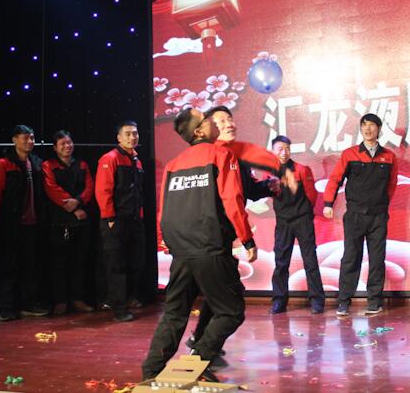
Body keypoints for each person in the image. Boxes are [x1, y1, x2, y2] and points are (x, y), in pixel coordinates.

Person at [142, 108, 256, 382]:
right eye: (207, 118)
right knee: (230, 312)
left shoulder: (173, 164)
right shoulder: (221, 155)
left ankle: (151, 371)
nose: (214, 121)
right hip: (210, 247)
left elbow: (164, 209)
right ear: (199, 131)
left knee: (175, 313)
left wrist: (166, 241)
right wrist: (247, 239)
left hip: (182, 250)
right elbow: (233, 200)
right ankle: (198, 361)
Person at [184, 105, 284, 354]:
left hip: (222, 235)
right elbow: (228, 199)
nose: (229, 124)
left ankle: (199, 340)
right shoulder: (207, 156)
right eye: (221, 121)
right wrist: (247, 239)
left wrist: (268, 186)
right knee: (228, 296)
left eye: (230, 119)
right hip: (207, 235)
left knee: (220, 292)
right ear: (208, 128)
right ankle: (201, 349)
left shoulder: (236, 155)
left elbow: (245, 190)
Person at [323, 113, 398, 317]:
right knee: (351, 257)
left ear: (379, 129)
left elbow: (391, 184)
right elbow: (335, 179)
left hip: (378, 216)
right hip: (355, 215)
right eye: (364, 125)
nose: (368, 129)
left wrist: (382, 203)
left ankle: (374, 302)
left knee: (377, 259)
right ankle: (344, 301)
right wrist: (328, 203)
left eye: (372, 125)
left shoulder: (389, 156)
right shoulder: (350, 154)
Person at [0, 124, 49, 321]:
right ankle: (5, 307)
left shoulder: (37, 162)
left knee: (30, 265)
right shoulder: (3, 163)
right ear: (14, 140)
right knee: (8, 266)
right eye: (25, 138)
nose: (29, 141)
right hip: (10, 223)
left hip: (33, 223)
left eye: (32, 138)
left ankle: (28, 304)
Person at [268, 135, 325, 315]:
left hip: (302, 221)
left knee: (310, 260)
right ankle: (279, 301)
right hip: (283, 222)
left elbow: (312, 195)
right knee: (281, 262)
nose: (284, 152)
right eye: (280, 149)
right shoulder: (269, 172)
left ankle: (317, 301)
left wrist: (304, 213)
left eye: (287, 148)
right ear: (272, 151)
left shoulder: (301, 169)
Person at [95, 120, 145, 322]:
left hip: (134, 220)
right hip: (116, 220)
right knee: (116, 265)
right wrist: (110, 218)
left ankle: (125, 299)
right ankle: (118, 308)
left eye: (135, 133)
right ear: (119, 137)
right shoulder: (110, 158)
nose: (132, 137)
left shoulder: (136, 160)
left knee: (136, 261)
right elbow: (103, 190)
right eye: (128, 134)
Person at [41, 130, 95, 315]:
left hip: (81, 221)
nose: (67, 146)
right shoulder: (48, 166)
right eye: (63, 143)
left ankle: (78, 299)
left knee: (79, 263)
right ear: (55, 147)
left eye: (69, 142)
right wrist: (73, 208)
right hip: (59, 221)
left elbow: (89, 187)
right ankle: (60, 301)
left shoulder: (82, 164)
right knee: (59, 264)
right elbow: (52, 189)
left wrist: (78, 202)